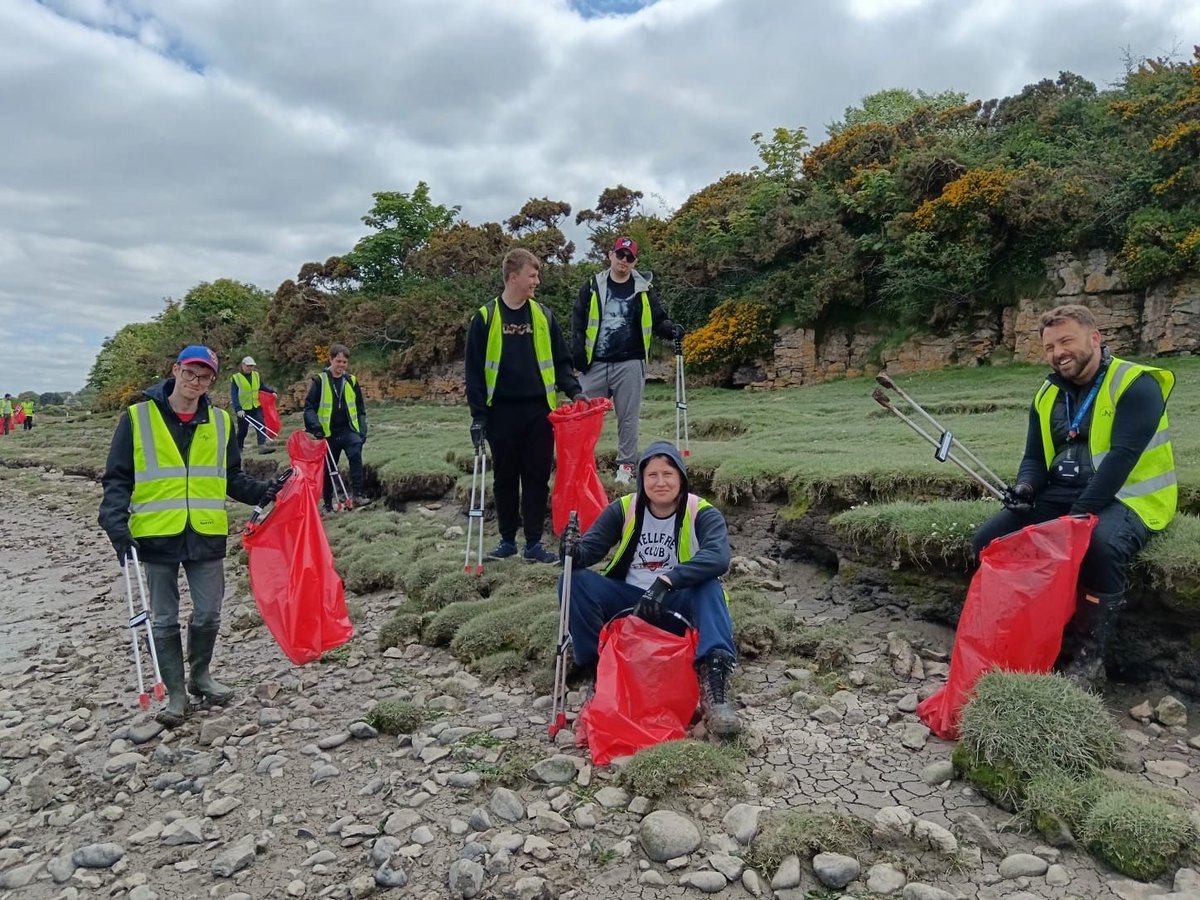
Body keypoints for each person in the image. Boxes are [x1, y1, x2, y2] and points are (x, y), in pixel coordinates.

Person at [971, 304, 1176, 686]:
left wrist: (1075, 518)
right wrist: (1025, 488)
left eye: (1066, 341)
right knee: (990, 540)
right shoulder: (1047, 393)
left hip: (1129, 496)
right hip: (1062, 493)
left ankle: (1088, 658)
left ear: (1094, 338)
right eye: (1049, 347)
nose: (1058, 353)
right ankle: (1012, 639)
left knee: (1099, 546)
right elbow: (1034, 458)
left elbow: (1121, 458)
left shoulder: (1137, 384)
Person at [98, 345, 287, 727]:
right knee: (164, 617)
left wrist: (264, 491)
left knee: (209, 611)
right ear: (176, 370)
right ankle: (176, 693)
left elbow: (230, 477)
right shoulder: (136, 418)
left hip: (205, 531)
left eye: (204, 377)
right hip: (155, 535)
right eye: (190, 373)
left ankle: (200, 676)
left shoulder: (220, 421)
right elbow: (118, 478)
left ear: (211, 381)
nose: (195, 382)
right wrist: (114, 522)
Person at [561, 440, 741, 736]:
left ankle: (715, 688)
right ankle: (598, 670)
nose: (660, 482)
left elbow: (718, 556)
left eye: (668, 474)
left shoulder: (701, 511)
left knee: (709, 585)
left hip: (676, 603)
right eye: (652, 475)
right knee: (574, 580)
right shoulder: (624, 508)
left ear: (681, 477)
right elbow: (586, 554)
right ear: (642, 479)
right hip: (631, 604)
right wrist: (570, 549)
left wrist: (668, 580)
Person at [465, 248, 585, 563]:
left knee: (536, 477)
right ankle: (507, 541)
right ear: (513, 276)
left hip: (539, 413)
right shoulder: (485, 317)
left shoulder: (544, 316)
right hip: (500, 413)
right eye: (532, 275)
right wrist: (478, 417)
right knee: (505, 478)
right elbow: (474, 372)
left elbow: (561, 361)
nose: (537, 281)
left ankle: (533, 544)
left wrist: (575, 392)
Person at [571, 236, 683, 485]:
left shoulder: (644, 288)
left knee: (628, 419)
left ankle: (625, 470)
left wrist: (671, 330)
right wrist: (578, 355)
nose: (624, 260)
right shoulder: (592, 286)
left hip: (630, 363)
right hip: (595, 363)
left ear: (635, 261)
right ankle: (581, 468)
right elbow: (578, 321)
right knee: (584, 417)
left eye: (629, 257)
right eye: (620, 255)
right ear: (610, 255)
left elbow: (658, 319)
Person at [303, 343, 371, 512]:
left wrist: (362, 431)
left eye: (344, 362)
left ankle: (358, 496)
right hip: (328, 432)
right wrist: (315, 427)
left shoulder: (351, 380)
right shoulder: (320, 381)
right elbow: (309, 407)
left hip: (349, 429)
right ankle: (327, 502)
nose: (341, 365)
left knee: (355, 455)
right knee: (328, 468)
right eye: (338, 361)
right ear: (330, 360)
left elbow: (360, 408)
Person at [231, 356, 277, 453]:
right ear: (243, 365)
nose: (250, 368)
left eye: (251, 366)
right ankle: (238, 448)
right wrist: (238, 409)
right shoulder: (236, 378)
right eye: (248, 366)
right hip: (243, 409)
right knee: (243, 430)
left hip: (255, 406)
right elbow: (234, 395)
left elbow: (262, 386)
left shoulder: (256, 375)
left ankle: (262, 446)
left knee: (261, 425)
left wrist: (271, 392)